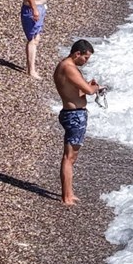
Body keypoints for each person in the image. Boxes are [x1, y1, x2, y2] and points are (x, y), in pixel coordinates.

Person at [53, 39, 106, 205]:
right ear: (77, 54)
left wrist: (88, 85)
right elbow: (89, 91)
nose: (86, 61)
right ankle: (66, 197)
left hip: (72, 113)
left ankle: (69, 193)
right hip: (74, 116)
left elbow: (78, 90)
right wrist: (96, 87)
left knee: (71, 157)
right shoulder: (68, 67)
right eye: (86, 58)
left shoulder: (65, 66)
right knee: (69, 157)